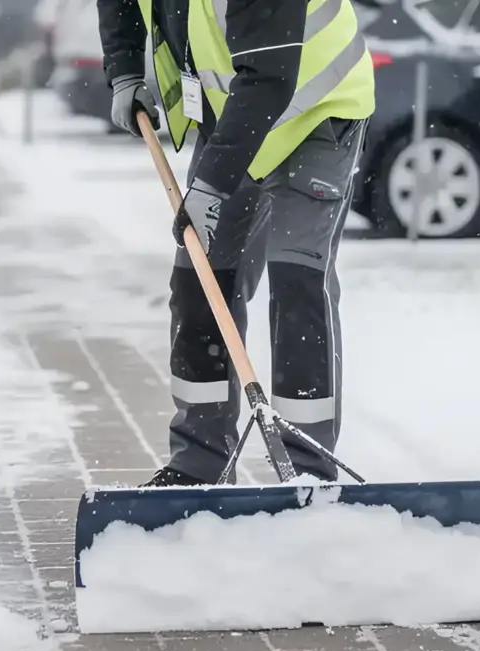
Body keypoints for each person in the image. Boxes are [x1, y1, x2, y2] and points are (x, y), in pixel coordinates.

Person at [96, 0, 375, 486]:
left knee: (297, 281)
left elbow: (270, 75)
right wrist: (123, 71)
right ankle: (198, 463)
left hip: (318, 111)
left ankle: (307, 471)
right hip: (234, 118)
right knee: (199, 280)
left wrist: (209, 187)